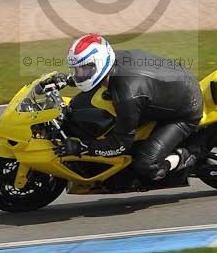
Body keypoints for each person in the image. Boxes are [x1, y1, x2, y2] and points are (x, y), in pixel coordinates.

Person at [54, 34, 203, 181]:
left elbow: (120, 145)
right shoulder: (112, 59)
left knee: (145, 165)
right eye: (76, 69)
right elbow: (92, 76)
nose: (79, 74)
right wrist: (66, 80)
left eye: (84, 69)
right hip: (172, 84)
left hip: (186, 110)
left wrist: (83, 147)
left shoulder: (127, 96)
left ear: (99, 63)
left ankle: (189, 154)